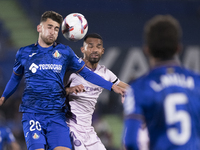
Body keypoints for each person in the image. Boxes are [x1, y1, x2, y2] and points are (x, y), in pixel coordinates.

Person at [0, 11, 124, 150]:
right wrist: (4, 97)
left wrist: (111, 86)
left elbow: (88, 74)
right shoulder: (24, 53)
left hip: (57, 116)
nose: (52, 32)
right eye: (49, 27)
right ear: (39, 28)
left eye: (56, 28)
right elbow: (15, 79)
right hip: (33, 114)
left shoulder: (65, 52)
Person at [122, 15, 200, 150]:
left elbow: (130, 142)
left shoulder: (139, 88)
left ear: (147, 50)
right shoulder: (197, 82)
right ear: (178, 48)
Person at [64, 33, 129, 150]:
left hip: (88, 130)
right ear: (82, 49)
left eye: (98, 47)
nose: (95, 50)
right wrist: (70, 90)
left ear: (103, 51)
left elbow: (126, 87)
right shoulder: (72, 70)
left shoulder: (105, 73)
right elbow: (53, 92)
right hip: (70, 126)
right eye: (90, 46)